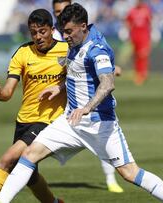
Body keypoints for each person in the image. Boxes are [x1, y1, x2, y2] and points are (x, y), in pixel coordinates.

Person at [0, 3, 163, 203]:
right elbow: (77, 74)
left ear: (83, 26)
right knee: (29, 155)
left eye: (69, 31)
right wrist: (59, 87)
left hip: (100, 125)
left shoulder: (97, 49)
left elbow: (107, 85)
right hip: (70, 122)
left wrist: (86, 108)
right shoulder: (75, 42)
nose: (66, 36)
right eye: (64, 31)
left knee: (129, 173)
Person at [0, 9, 67, 203]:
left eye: (42, 31)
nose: (38, 37)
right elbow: (8, 92)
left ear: (52, 29)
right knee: (29, 175)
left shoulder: (66, 51)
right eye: (33, 32)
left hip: (49, 122)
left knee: (8, 159)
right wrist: (0, 94)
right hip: (24, 121)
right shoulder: (22, 53)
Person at [51, 0, 124, 193]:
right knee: (33, 150)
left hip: (86, 106)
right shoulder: (54, 35)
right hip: (62, 101)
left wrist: (107, 69)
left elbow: (92, 62)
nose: (60, 15)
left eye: (63, 10)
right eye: (57, 11)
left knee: (103, 143)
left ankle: (110, 179)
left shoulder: (80, 36)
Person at [125, 0, 152, 85]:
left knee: (143, 55)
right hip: (134, 36)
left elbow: (150, 22)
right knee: (136, 56)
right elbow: (127, 22)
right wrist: (128, 32)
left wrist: (151, 34)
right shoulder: (132, 11)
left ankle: (143, 74)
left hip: (144, 37)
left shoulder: (146, 10)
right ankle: (138, 74)